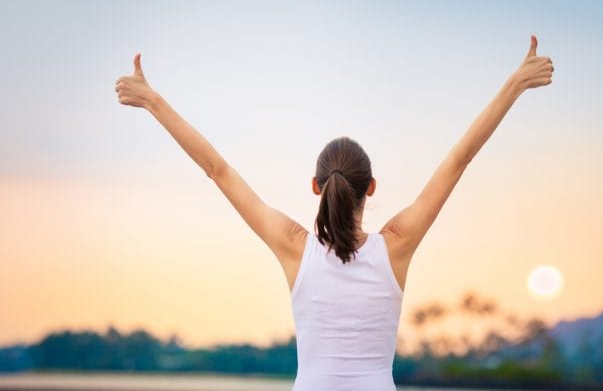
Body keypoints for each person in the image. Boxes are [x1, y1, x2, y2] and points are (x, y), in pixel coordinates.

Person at [115, 34, 553, 390]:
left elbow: (218, 169)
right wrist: (515, 84)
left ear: (315, 188)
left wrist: (152, 101)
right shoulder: (396, 246)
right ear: (372, 188)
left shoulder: (294, 248)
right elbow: (458, 160)